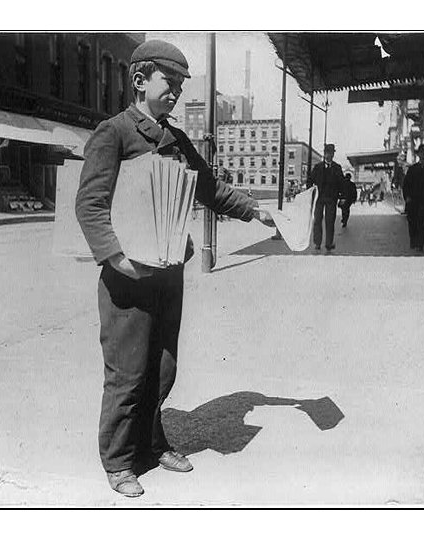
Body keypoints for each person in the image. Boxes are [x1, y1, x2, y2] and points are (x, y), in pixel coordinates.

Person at [75, 39, 275, 498]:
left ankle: (151, 445)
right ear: (140, 79)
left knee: (162, 368)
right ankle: (118, 461)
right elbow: (89, 205)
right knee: (127, 373)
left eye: (182, 86)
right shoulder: (113, 133)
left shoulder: (177, 139)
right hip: (127, 277)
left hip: (167, 273)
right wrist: (116, 258)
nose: (177, 93)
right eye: (170, 82)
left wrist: (254, 210)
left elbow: (210, 188)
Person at [307, 143, 345, 252]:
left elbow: (342, 183)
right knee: (317, 220)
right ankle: (317, 243)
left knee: (330, 221)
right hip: (319, 199)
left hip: (331, 199)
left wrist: (342, 197)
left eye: (331, 153)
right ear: (324, 154)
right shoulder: (318, 167)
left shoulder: (337, 168)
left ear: (333, 154)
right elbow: (310, 180)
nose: (329, 155)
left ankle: (328, 244)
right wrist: (311, 192)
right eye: (327, 153)